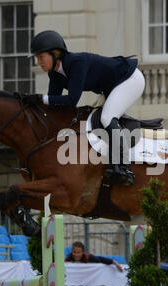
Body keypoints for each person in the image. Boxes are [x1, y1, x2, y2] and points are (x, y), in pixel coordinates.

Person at [26, 30, 145, 186]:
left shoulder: (76, 63)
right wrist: (34, 105)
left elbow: (71, 100)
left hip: (130, 79)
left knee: (106, 118)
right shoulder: (54, 75)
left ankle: (124, 167)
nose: (38, 62)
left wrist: (40, 98)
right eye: (37, 58)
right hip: (112, 87)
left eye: (41, 57)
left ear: (55, 54)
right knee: (98, 117)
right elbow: (53, 107)